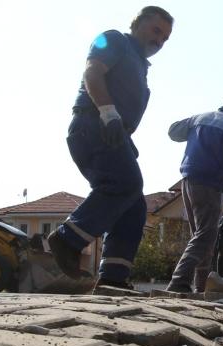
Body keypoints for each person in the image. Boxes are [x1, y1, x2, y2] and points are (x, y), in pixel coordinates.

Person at [47, 6, 173, 293]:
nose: (159, 41)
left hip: (112, 133)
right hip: (92, 125)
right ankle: (67, 239)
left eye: (165, 38)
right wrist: (108, 113)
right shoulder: (114, 40)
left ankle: (113, 278)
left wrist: (123, 134)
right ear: (137, 23)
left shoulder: (141, 66)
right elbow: (93, 72)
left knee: (134, 204)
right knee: (126, 185)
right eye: (156, 31)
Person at [165, 93, 223, 293]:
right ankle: (179, 282)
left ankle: (201, 286)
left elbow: (173, 132)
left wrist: (196, 128)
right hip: (209, 183)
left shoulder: (200, 118)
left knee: (202, 236)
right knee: (206, 234)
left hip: (188, 181)